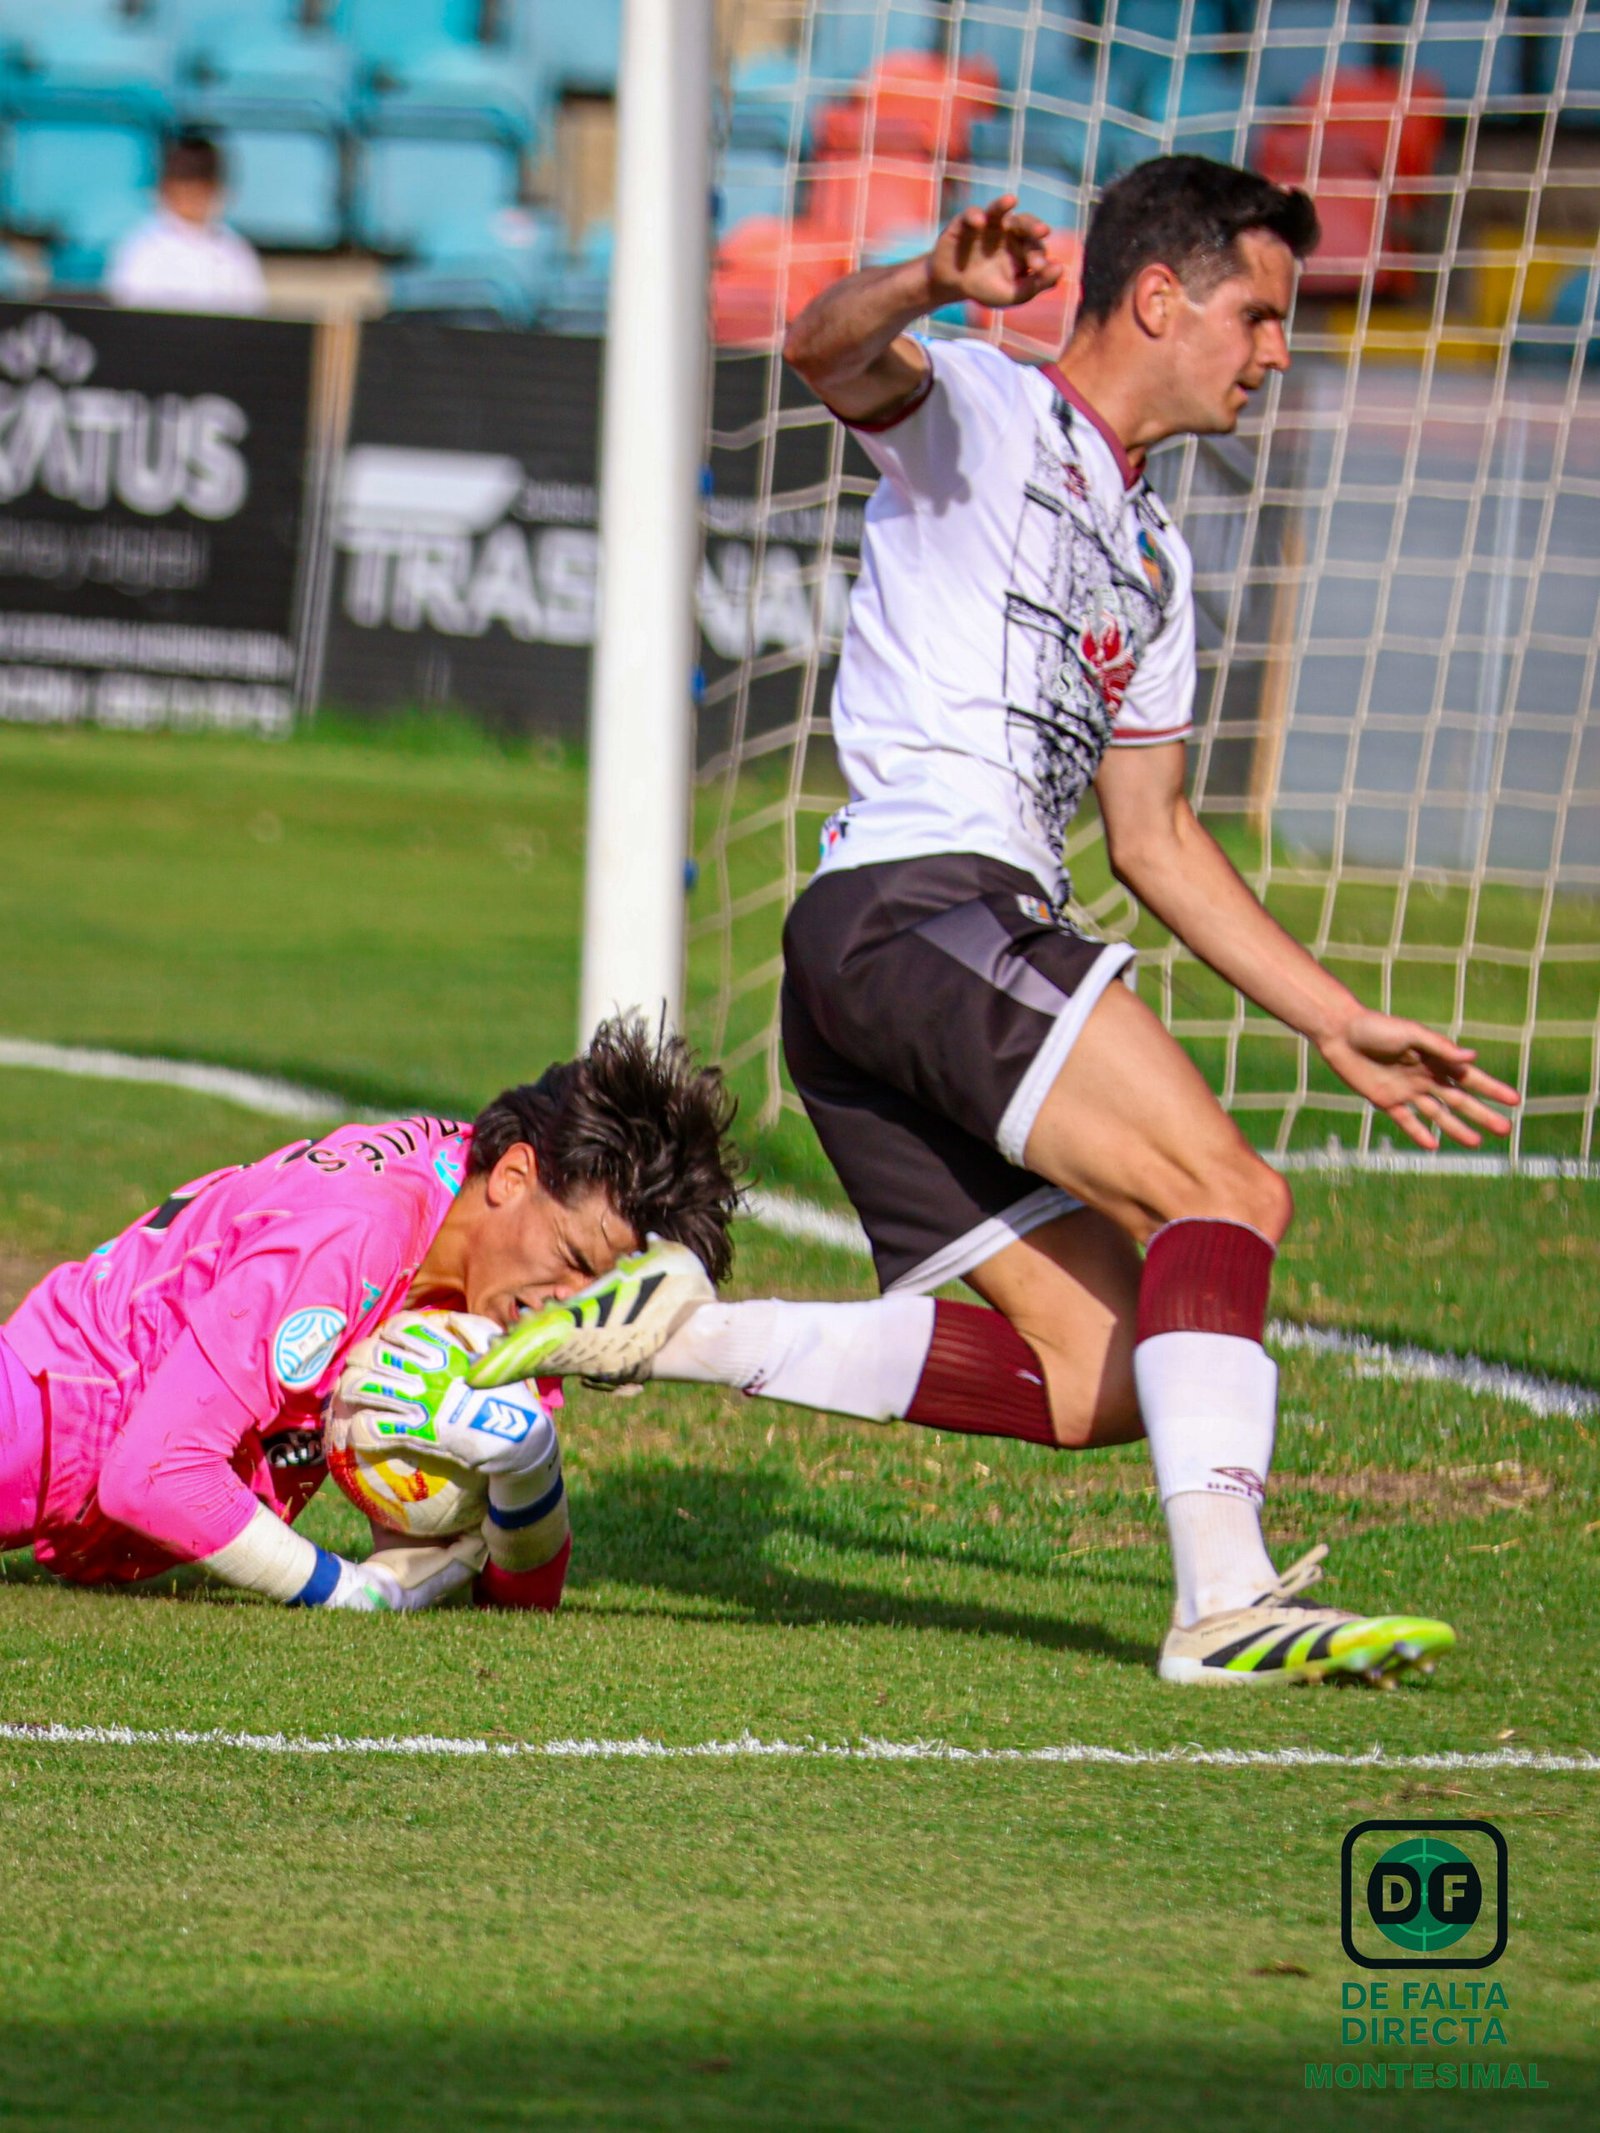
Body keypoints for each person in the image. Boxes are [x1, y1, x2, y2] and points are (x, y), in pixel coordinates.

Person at [475, 159, 1520, 1688]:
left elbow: (1156, 839)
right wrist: (927, 279)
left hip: (877, 966)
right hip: (922, 907)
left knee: (1102, 1379)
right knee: (1223, 1192)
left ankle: (686, 1330)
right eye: (1262, 313)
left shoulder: (1156, 564)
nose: (1278, 350)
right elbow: (825, 351)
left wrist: (1332, 1015)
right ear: (1159, 297)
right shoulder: (984, 402)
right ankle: (1223, 1600)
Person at [0, 1020, 738, 1611]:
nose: (569, 1303)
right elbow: (153, 1473)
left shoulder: (496, 1282)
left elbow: (516, 1598)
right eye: (575, 1260)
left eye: (596, 1290)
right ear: (514, 1175)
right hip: (51, 1405)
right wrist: (345, 1588)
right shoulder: (362, 1232)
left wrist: (530, 1470)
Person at [107, 131, 268, 317]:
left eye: (202, 189)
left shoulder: (235, 251)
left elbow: (253, 314)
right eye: (185, 187)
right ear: (167, 189)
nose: (192, 198)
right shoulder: (140, 248)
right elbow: (126, 316)